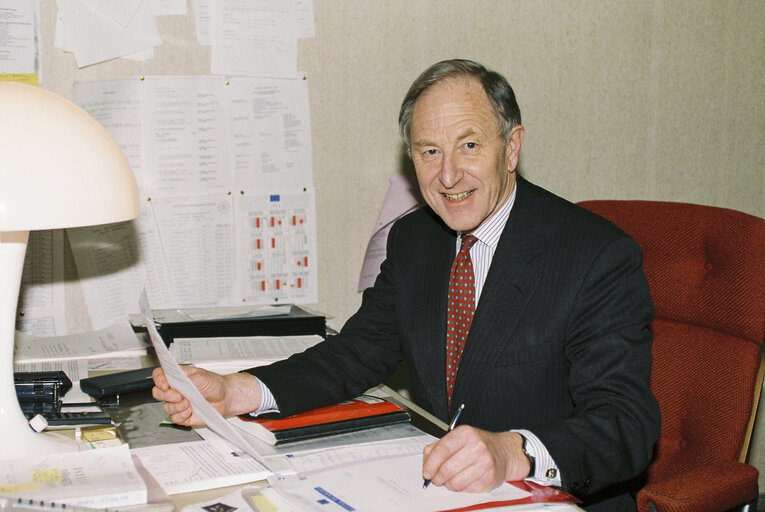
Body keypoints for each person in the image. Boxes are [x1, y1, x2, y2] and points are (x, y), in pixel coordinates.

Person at [153, 59, 660, 511]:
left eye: (469, 145)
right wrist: (236, 390)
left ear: (512, 148)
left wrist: (512, 451)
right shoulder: (416, 238)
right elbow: (355, 354)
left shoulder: (594, 256)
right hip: (436, 491)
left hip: (552, 497)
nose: (448, 175)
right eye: (429, 152)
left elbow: (627, 425)